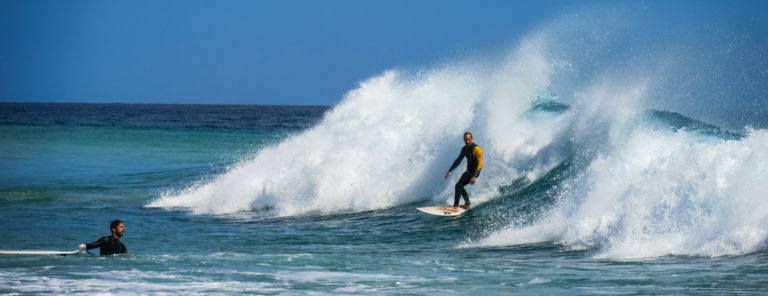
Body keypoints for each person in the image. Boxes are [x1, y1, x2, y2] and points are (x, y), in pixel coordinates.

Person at [444, 132, 483, 211]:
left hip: (474, 173)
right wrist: (449, 171)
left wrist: (474, 176)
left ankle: (455, 207)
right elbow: (458, 160)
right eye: (465, 140)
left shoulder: (477, 149)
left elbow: (480, 164)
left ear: (472, 138)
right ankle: (467, 203)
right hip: (468, 172)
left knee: (458, 186)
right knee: (459, 186)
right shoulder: (464, 149)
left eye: (468, 139)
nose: (467, 141)